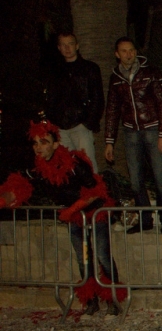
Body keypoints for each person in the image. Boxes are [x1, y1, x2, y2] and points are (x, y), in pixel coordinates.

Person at [0, 121, 122, 316]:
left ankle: (113, 300)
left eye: (44, 142)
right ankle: (91, 300)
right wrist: (2, 200)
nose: (38, 147)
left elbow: (96, 192)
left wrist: (72, 210)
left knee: (102, 255)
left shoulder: (74, 163)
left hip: (96, 211)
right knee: (83, 259)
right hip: (74, 215)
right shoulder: (39, 169)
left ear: (56, 144)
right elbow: (17, 186)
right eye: (35, 143)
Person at [104, 36, 162, 235]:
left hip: (153, 129)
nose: (129, 54)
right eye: (124, 51)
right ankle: (145, 219)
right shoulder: (116, 77)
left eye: (131, 50)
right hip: (130, 131)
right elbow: (112, 109)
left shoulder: (150, 72)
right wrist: (109, 141)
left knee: (160, 177)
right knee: (135, 179)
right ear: (117, 54)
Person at [44, 33, 104, 172]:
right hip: (60, 127)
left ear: (77, 46)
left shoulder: (90, 68)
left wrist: (87, 123)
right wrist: (52, 124)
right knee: (66, 168)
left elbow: (98, 99)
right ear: (59, 48)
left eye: (70, 43)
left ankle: (94, 193)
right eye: (63, 45)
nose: (67, 48)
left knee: (88, 166)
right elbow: (51, 98)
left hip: (81, 125)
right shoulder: (54, 71)